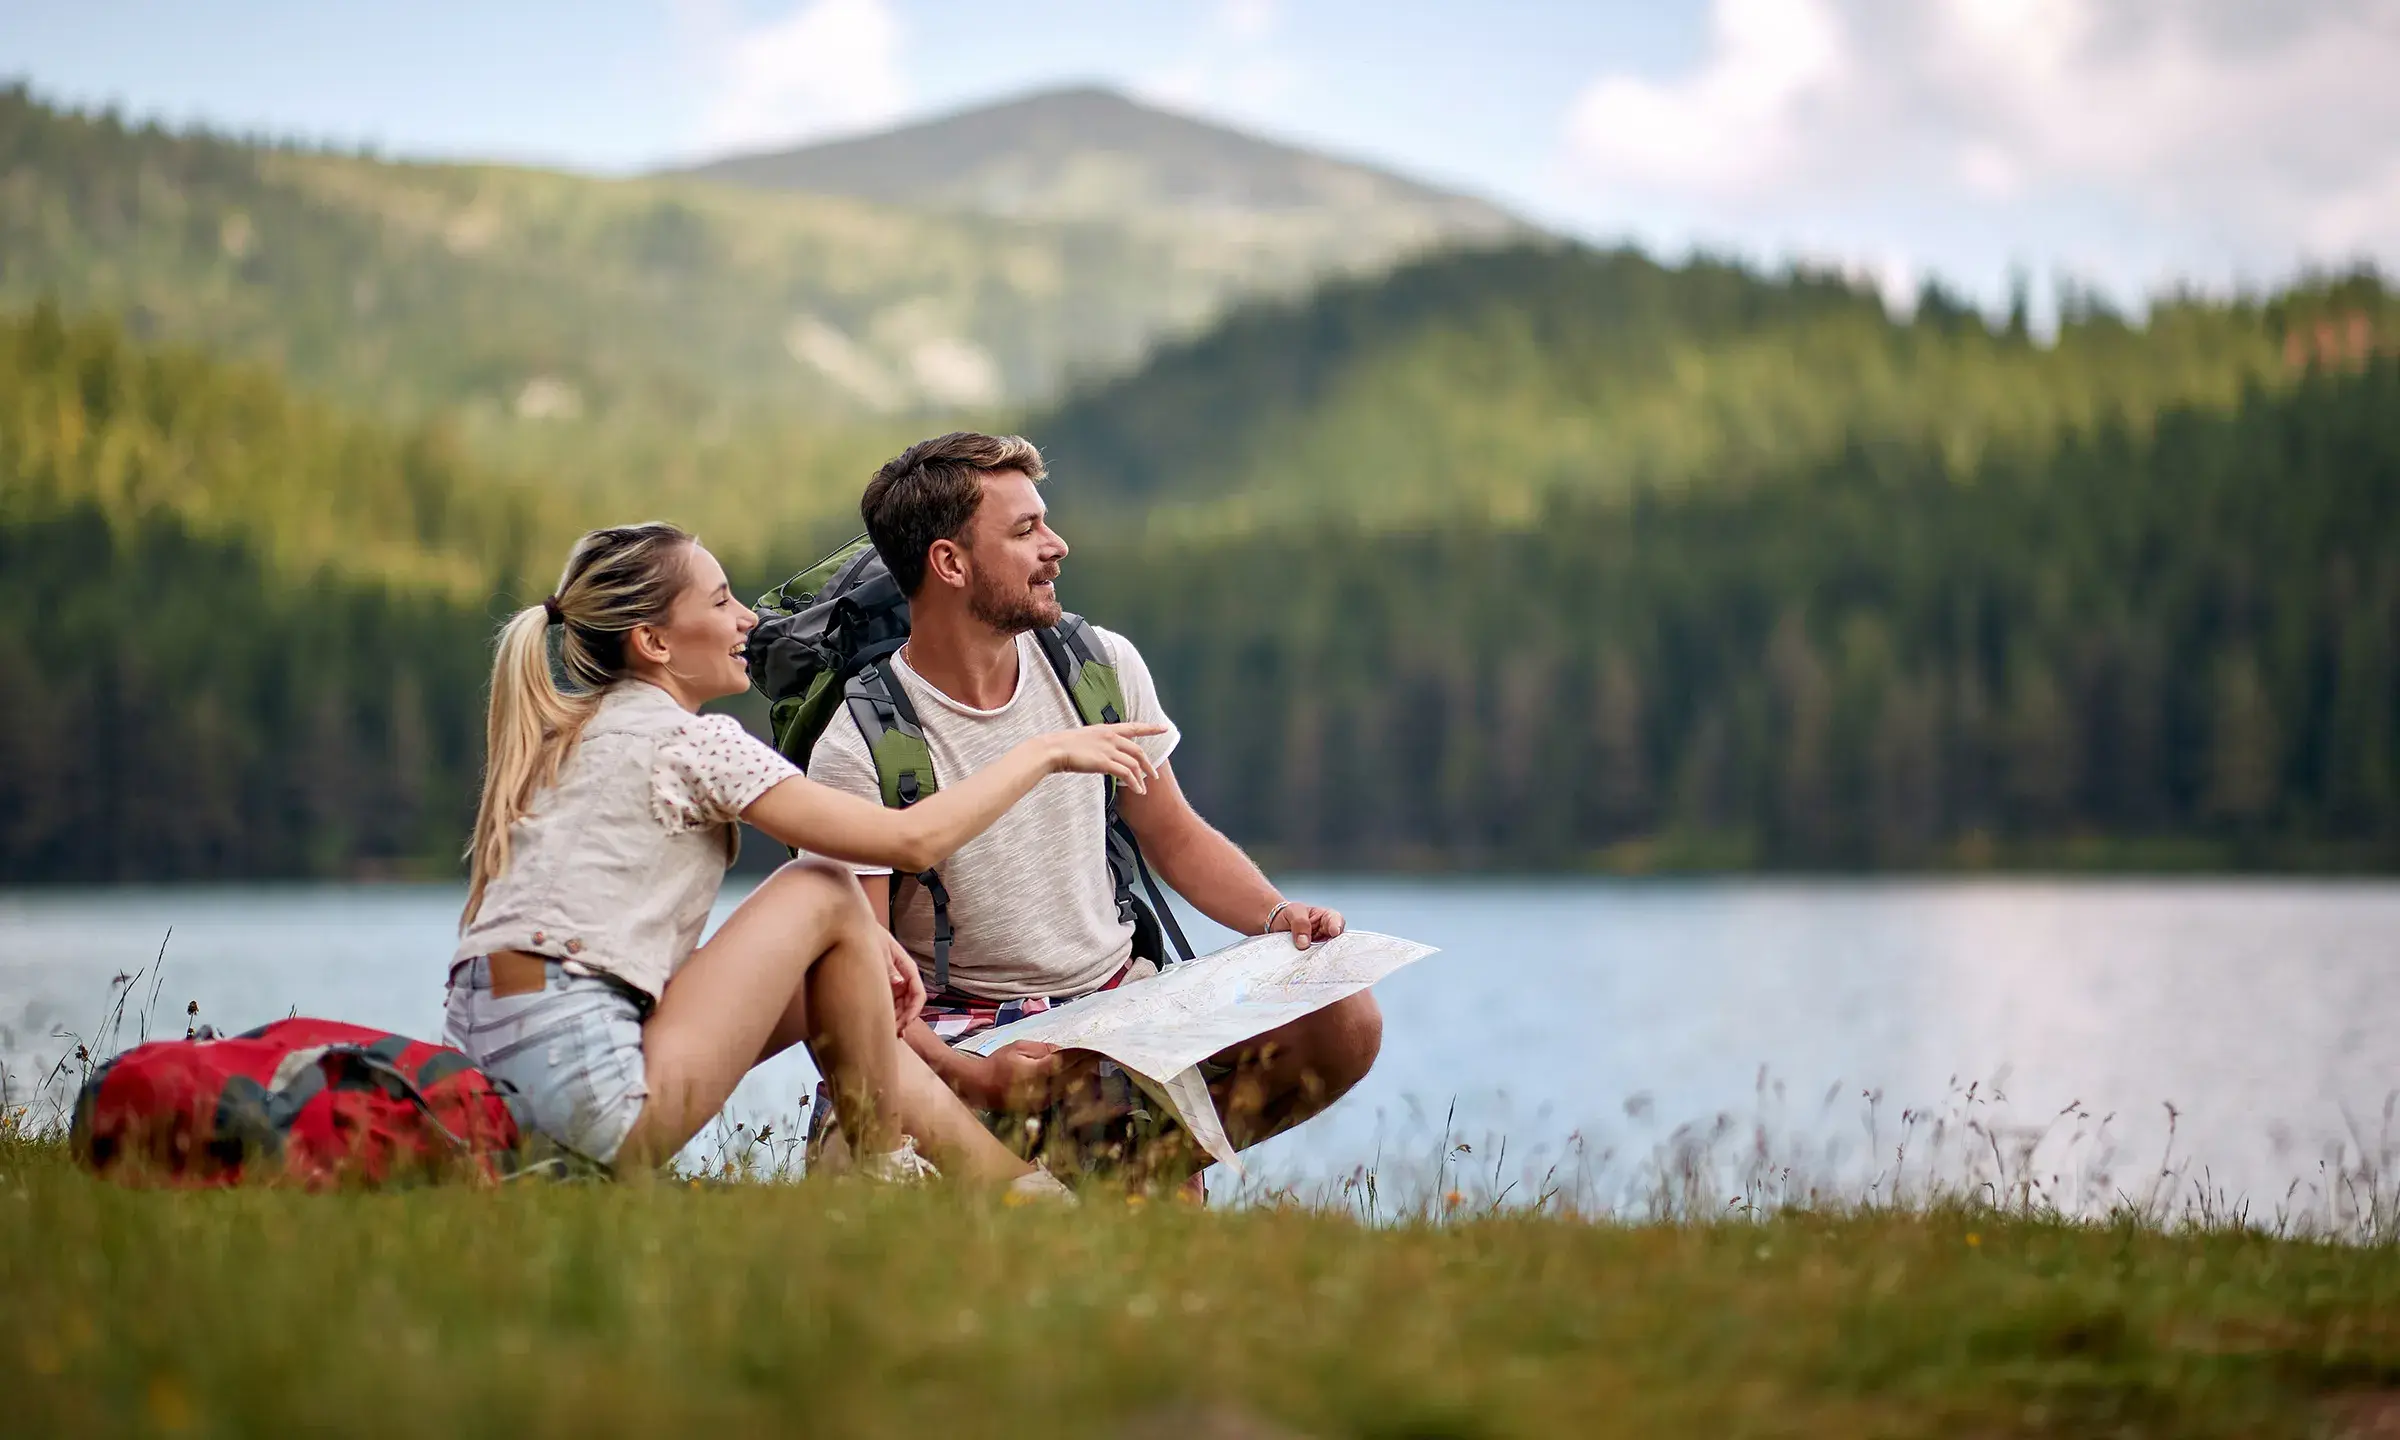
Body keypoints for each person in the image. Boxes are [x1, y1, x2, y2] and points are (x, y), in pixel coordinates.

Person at [443, 520, 1164, 1192]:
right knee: (820, 885)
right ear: (654, 643)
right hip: (592, 1091)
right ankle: (903, 1170)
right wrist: (1044, 752)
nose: (748, 621)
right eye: (721, 602)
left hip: (495, 1096)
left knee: (831, 953)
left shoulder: (569, 738)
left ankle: (1001, 1186)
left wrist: (858, 952)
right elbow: (911, 840)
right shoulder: (691, 743)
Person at [803, 433, 1383, 1182]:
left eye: (1045, 522)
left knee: (1344, 1017)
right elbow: (855, 983)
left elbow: (1174, 836)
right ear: (949, 563)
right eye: (1025, 531)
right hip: (959, 1036)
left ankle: (1125, 1177)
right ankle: (1069, 1174)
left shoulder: (1098, 665)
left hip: (1116, 1009)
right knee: (875, 1180)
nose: (1057, 546)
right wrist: (972, 1076)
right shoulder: (861, 743)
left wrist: (1278, 916)